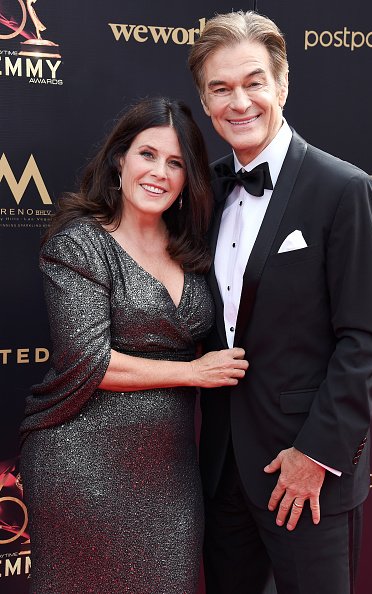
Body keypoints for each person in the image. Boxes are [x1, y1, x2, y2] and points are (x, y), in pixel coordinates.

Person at [188, 11, 372, 594]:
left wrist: (316, 454)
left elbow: (368, 338)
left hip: (305, 473)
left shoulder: (344, 189)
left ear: (282, 85)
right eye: (220, 89)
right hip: (222, 471)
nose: (240, 101)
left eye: (254, 82)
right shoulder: (205, 192)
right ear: (205, 104)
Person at [19, 96, 248, 594]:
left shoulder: (193, 249)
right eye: (147, 154)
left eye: (176, 163)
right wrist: (192, 373)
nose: (159, 173)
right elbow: (89, 362)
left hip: (170, 473)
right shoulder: (80, 242)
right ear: (120, 159)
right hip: (81, 466)